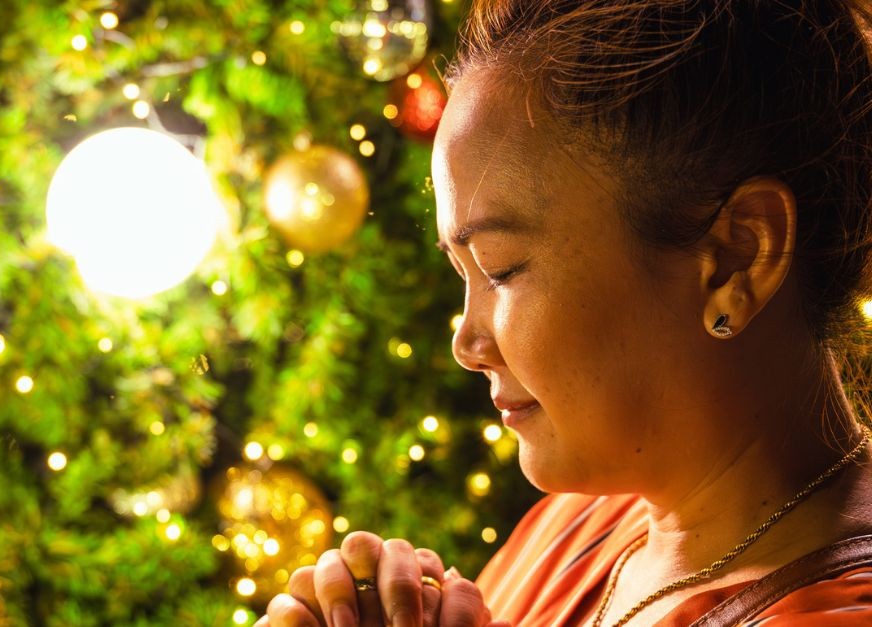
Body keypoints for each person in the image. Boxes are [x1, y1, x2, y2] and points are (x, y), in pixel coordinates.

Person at [259, 1, 872, 625]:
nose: (467, 344)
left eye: (500, 269)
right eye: (460, 272)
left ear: (737, 258)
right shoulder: (581, 526)